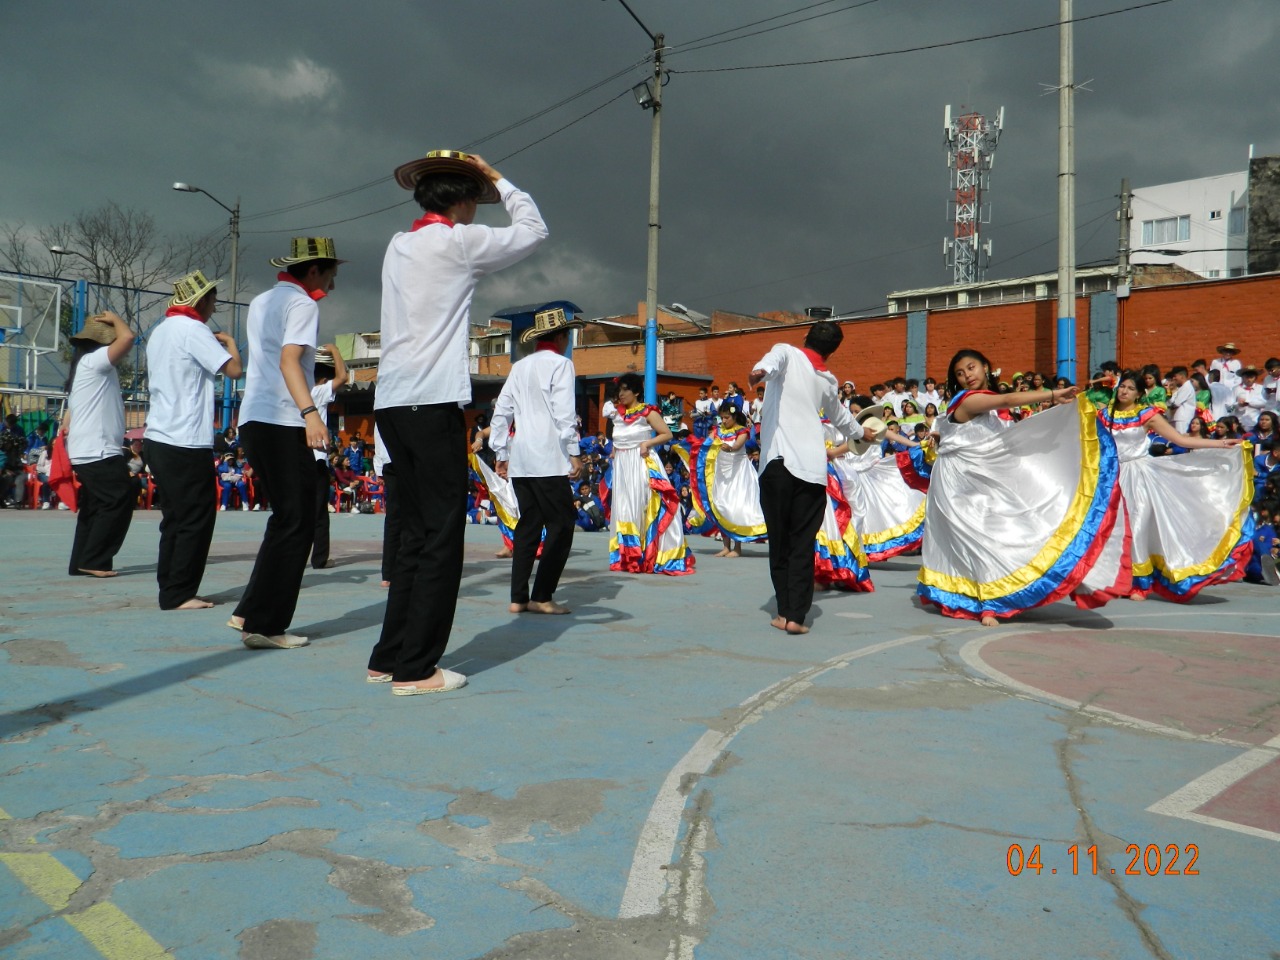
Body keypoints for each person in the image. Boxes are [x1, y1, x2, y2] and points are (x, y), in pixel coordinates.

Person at [369, 149, 547, 695]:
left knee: (414, 534)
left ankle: (389, 656)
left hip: (391, 402)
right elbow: (533, 230)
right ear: (464, 200)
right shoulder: (459, 241)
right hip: (432, 401)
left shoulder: (398, 244)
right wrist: (497, 176)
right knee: (442, 535)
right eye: (475, 196)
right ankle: (417, 668)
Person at [915, 348, 1119, 626]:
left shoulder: (985, 403)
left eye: (971, 368)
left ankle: (1040, 578)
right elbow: (1008, 398)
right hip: (961, 482)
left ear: (985, 367)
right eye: (960, 373)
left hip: (985, 476)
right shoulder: (968, 399)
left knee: (1009, 527)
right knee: (980, 536)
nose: (967, 376)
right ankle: (989, 603)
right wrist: (1052, 394)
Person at [228, 237, 341, 650]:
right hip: (282, 418)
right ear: (313, 270)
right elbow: (289, 360)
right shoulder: (303, 304)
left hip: (255, 418)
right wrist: (310, 413)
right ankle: (266, 625)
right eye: (330, 274)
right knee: (298, 522)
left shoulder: (262, 301)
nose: (332, 284)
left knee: (285, 519)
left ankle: (250, 611)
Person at [1080, 371, 1254, 601]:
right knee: (1112, 527)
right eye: (1122, 386)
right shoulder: (1103, 415)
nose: (1124, 391)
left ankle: (1139, 584)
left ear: (1139, 394)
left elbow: (1180, 439)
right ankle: (1112, 578)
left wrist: (1221, 444)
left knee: (1137, 526)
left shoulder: (1147, 415)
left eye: (1130, 388)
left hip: (1139, 476)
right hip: (1110, 476)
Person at [747, 321, 873, 634]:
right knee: (802, 543)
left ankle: (783, 612)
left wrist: (760, 371)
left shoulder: (787, 353)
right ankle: (796, 617)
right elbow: (841, 416)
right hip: (813, 472)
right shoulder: (828, 380)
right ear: (833, 351)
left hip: (778, 465)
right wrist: (862, 432)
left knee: (780, 542)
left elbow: (772, 360)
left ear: (806, 336)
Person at [143, 271, 242, 608]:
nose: (214, 307)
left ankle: (170, 587)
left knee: (175, 517)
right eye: (213, 301)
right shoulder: (193, 329)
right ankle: (180, 592)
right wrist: (230, 344)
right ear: (201, 301)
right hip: (184, 439)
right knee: (196, 517)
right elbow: (233, 370)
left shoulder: (160, 331)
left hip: (158, 435)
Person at [489, 307, 584, 615]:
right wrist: (574, 452)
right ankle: (542, 595)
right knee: (562, 524)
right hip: (548, 457)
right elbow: (564, 412)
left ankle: (518, 597)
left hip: (522, 457)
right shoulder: (562, 364)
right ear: (561, 337)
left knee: (529, 524)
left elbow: (502, 411)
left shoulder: (519, 367)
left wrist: (501, 453)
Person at [63, 312, 136, 576]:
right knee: (119, 498)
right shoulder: (95, 362)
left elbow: (70, 415)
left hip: (88, 448)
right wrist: (116, 318)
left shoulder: (84, 367)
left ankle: (82, 561)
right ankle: (95, 559)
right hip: (98, 449)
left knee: (95, 506)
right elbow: (128, 338)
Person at [607, 372, 695, 575]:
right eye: (620, 390)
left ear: (636, 392)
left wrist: (647, 443)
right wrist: (614, 451)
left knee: (643, 506)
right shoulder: (617, 414)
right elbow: (618, 439)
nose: (621, 394)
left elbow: (667, 434)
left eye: (626, 390)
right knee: (624, 509)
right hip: (622, 467)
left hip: (641, 463)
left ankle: (648, 555)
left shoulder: (647, 411)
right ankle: (629, 555)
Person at [693, 404, 767, 557]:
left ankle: (737, 547)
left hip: (739, 474)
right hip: (721, 474)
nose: (724, 421)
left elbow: (738, 445)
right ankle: (726, 546)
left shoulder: (742, 430)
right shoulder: (718, 430)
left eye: (727, 417)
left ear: (734, 417)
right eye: (722, 418)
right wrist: (693, 446)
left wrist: (730, 448)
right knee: (721, 506)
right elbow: (706, 444)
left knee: (736, 507)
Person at [308, 346, 348, 569]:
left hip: (298, 458)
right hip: (316, 459)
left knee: (298, 511)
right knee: (319, 513)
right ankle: (320, 558)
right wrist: (334, 351)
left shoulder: (296, 393)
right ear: (323, 379)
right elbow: (343, 376)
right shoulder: (319, 391)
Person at [1235, 366, 1267, 432]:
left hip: (1254, 420)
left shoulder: (1261, 388)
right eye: (1246, 377)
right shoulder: (1236, 389)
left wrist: (1248, 403)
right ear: (1242, 378)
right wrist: (1238, 404)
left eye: (1251, 377)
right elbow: (1230, 404)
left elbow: (1264, 403)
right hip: (1240, 421)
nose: (1249, 380)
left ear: (1255, 378)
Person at [1167, 366, 1196, 433]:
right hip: (1179, 418)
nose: (1174, 378)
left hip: (1183, 418)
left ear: (1182, 376)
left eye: (1175, 376)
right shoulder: (1182, 387)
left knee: (1181, 436)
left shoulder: (1187, 387)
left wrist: (1167, 407)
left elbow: (1176, 403)